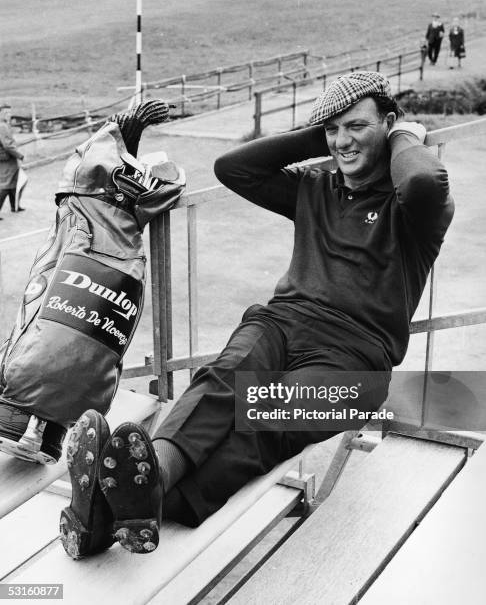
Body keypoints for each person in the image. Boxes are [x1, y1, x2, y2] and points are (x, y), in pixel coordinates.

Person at [60, 72, 454, 559]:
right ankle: (150, 475)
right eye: (333, 130)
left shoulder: (415, 208)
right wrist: (328, 136)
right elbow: (233, 168)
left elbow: (421, 177)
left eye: (357, 126)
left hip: (357, 360)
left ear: (389, 125)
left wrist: (399, 136)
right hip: (281, 322)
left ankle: (106, 509)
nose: (342, 141)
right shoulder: (315, 186)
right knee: (225, 380)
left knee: (265, 416)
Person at [0, 103, 25, 218]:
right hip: (6, 158)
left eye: (9, 112)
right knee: (6, 185)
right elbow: (8, 145)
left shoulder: (5, 125)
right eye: (5, 113)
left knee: (14, 181)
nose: (8, 115)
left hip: (9, 157)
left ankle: (14, 206)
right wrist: (20, 155)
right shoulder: (2, 126)